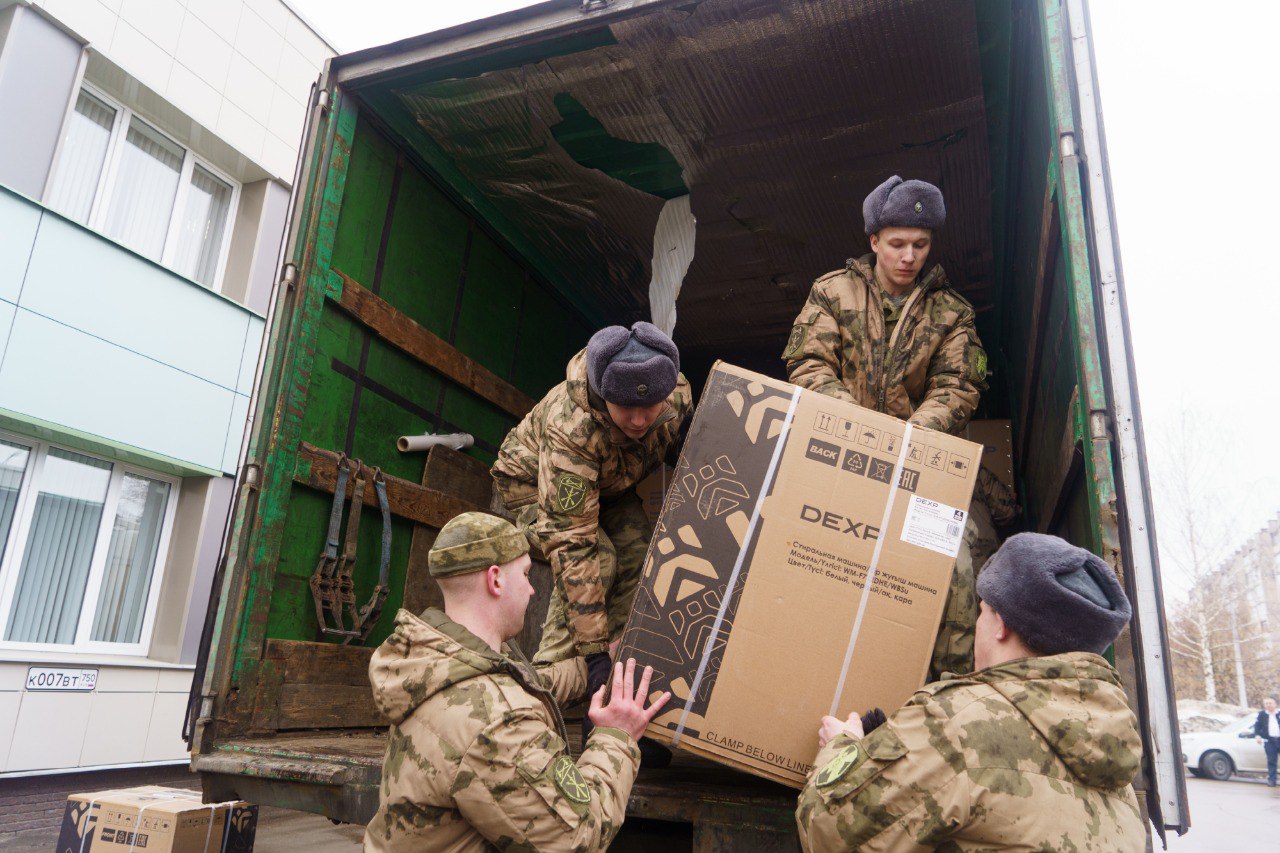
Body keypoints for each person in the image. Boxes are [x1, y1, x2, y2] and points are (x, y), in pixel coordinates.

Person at [795, 533, 1146, 851]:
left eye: (982, 612)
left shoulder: (960, 721)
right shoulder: (1118, 771)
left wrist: (843, 747)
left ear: (1001, 625)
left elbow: (828, 833)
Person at [781, 175, 998, 680]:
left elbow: (958, 384)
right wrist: (856, 427)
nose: (909, 256)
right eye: (897, 243)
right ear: (873, 241)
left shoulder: (952, 313)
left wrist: (913, 436)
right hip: (839, 457)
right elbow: (809, 365)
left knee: (958, 563)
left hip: (918, 467)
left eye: (920, 245)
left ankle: (947, 690)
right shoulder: (832, 292)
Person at [363, 511, 671, 852]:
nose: (531, 590)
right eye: (525, 574)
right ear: (495, 580)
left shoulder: (439, 663)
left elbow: (528, 683)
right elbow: (579, 836)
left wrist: (598, 665)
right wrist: (617, 736)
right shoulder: (495, 724)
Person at [491, 322, 691, 744]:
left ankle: (614, 704)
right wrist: (596, 654)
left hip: (609, 487)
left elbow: (686, 440)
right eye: (624, 408)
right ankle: (542, 707)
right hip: (533, 486)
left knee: (642, 558)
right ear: (603, 395)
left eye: (649, 407)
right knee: (598, 562)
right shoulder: (572, 429)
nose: (639, 421)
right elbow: (574, 546)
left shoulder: (676, 394)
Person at [1254, 696, 1280, 786]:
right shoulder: (1262, 714)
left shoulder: (1279, 713)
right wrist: (1257, 736)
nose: (1268, 705)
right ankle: (1272, 780)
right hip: (1270, 741)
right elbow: (1257, 726)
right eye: (1266, 703)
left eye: (1270, 703)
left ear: (1275, 704)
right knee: (1271, 761)